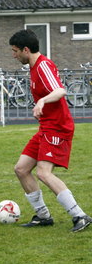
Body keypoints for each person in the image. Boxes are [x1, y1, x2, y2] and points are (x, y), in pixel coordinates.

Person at [9, 29, 91, 232]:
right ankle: (43, 216)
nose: (14, 55)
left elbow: (61, 90)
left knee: (44, 173)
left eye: (15, 51)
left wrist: (42, 101)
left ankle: (79, 215)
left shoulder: (43, 65)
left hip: (57, 128)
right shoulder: (34, 67)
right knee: (21, 169)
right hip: (46, 127)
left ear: (26, 50)